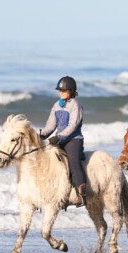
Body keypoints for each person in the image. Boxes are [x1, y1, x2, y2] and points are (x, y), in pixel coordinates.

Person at [40, 76, 88, 207]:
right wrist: (41, 135)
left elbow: (72, 127)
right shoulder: (56, 105)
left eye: (64, 90)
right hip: (60, 139)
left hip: (73, 140)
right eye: (60, 90)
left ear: (71, 91)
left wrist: (57, 137)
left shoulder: (76, 106)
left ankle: (81, 196)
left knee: (73, 163)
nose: (61, 92)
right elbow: (51, 125)